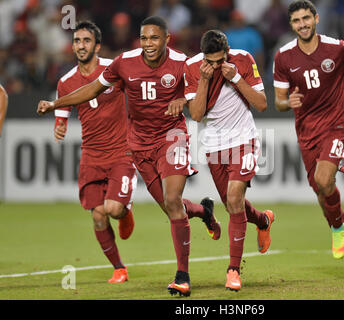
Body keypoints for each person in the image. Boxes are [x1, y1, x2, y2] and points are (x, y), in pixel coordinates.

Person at [37, 16, 221, 297]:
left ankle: (182, 276)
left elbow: (200, 100)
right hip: (140, 144)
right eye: (144, 38)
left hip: (172, 137)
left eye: (154, 38)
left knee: (172, 201)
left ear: (167, 39)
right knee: (169, 206)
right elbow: (92, 90)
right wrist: (56, 105)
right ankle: (203, 211)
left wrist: (183, 100)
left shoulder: (183, 62)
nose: (148, 44)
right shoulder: (124, 62)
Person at [273, 1, 344, 279]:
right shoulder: (283, 57)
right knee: (323, 195)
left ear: (316, 18)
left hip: (336, 125)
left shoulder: (338, 48)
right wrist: (288, 103)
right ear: (291, 25)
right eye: (297, 20)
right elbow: (278, 102)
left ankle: (336, 230)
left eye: (306, 18)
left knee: (324, 180)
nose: (303, 24)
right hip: (306, 132)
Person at [184, 30, 275, 291]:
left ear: (228, 53)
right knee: (232, 205)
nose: (215, 66)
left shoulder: (243, 60)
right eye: (210, 61)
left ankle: (233, 270)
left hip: (243, 139)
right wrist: (204, 80)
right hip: (214, 146)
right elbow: (198, 115)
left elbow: (261, 104)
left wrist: (235, 77)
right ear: (203, 56)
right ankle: (263, 220)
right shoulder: (193, 68)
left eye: (219, 61)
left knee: (234, 199)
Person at [52, 21, 137, 283]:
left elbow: (136, 89)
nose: (80, 45)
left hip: (121, 151)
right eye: (77, 41)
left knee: (112, 209)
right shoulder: (66, 82)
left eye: (86, 41)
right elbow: (63, 111)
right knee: (98, 215)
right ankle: (119, 268)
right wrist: (60, 125)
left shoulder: (114, 68)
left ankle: (125, 212)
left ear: (97, 46)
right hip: (91, 155)